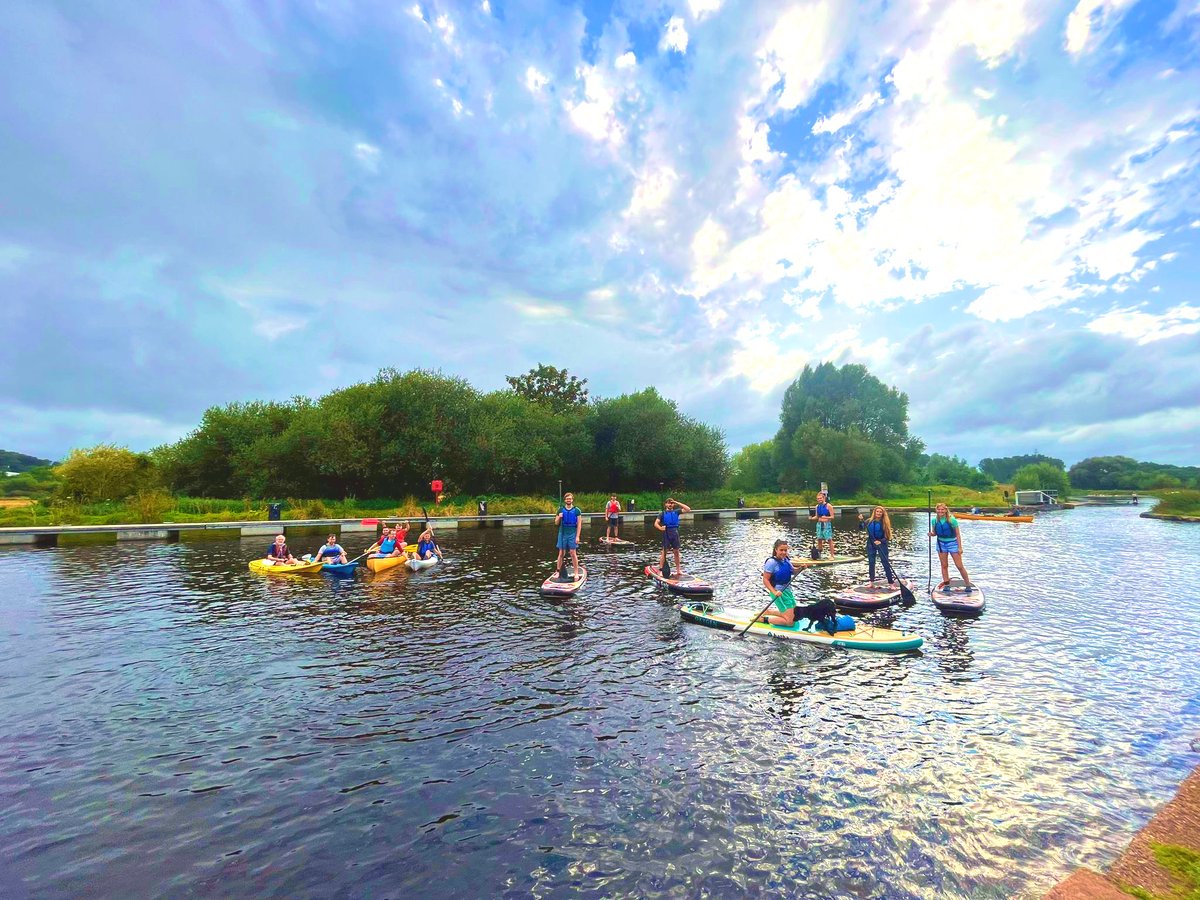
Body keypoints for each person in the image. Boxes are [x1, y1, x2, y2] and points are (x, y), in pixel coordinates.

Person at [759, 539, 839, 630]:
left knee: (793, 614)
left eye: (785, 550)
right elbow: (765, 580)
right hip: (778, 593)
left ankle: (769, 611)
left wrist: (801, 568)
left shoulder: (786, 560)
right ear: (776, 549)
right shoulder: (771, 562)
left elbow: (793, 571)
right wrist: (774, 592)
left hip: (787, 591)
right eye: (781, 550)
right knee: (790, 622)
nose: (783, 552)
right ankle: (763, 619)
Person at [929, 502, 972, 591]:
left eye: (942, 509)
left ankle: (968, 585)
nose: (940, 511)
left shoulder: (952, 520)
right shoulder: (934, 520)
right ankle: (947, 584)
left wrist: (960, 547)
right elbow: (935, 533)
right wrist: (931, 534)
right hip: (941, 544)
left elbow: (958, 535)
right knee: (944, 565)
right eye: (939, 509)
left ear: (945, 510)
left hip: (953, 544)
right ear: (936, 510)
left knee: (959, 566)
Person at [655, 497, 692, 576]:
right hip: (667, 533)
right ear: (665, 504)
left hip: (675, 533)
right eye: (668, 503)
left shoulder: (677, 512)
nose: (670, 504)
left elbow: (688, 509)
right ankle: (661, 570)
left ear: (674, 505)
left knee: (676, 552)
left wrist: (676, 502)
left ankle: (678, 570)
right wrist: (661, 528)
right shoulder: (662, 514)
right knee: (664, 552)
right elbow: (656, 524)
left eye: (671, 503)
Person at [863, 506, 897, 585]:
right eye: (877, 511)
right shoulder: (869, 521)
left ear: (882, 513)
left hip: (882, 543)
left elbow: (888, 536)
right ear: (874, 512)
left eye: (880, 512)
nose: (878, 513)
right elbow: (861, 528)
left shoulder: (884, 523)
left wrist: (880, 541)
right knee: (871, 562)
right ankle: (871, 582)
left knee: (885, 562)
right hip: (871, 544)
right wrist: (861, 521)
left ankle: (891, 583)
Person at [554, 492, 583, 579]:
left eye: (570, 499)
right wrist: (559, 517)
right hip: (562, 532)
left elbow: (579, 525)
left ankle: (576, 572)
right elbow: (556, 523)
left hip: (572, 532)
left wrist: (577, 536)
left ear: (572, 500)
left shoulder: (577, 510)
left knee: (572, 553)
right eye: (567, 499)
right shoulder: (560, 510)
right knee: (561, 553)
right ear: (565, 500)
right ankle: (558, 571)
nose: (568, 500)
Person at [809, 491, 836, 558]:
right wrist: (811, 518)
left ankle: (832, 555)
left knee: (829, 539)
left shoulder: (829, 506)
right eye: (818, 499)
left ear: (824, 498)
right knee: (819, 539)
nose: (819, 500)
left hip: (826, 524)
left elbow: (832, 517)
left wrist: (826, 517)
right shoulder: (817, 506)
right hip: (819, 524)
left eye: (820, 498)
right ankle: (819, 554)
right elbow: (817, 516)